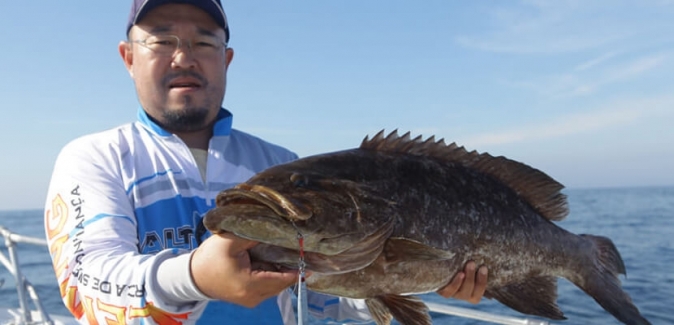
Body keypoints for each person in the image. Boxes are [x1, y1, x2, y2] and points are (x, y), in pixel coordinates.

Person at [43, 0, 488, 324]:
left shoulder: (281, 164)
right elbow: (87, 285)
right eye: (161, 40)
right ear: (128, 57)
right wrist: (197, 276)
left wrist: (417, 277)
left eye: (203, 41)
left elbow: (316, 296)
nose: (184, 57)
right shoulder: (95, 158)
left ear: (226, 59)